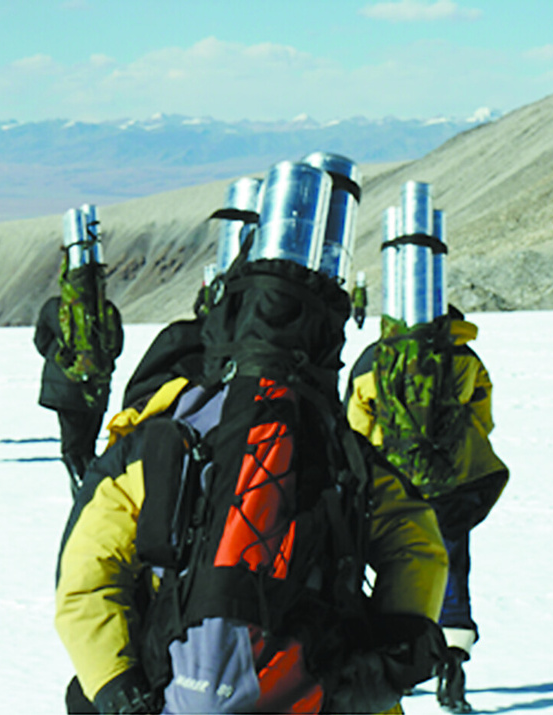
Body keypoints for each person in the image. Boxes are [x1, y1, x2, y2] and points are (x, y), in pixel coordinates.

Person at [54, 160, 448, 715]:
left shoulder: (167, 435)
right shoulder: (333, 440)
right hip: (323, 688)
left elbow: (87, 575)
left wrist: (113, 682)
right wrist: (398, 637)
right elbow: (416, 541)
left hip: (174, 687)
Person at [345, 305, 509, 713]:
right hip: (452, 487)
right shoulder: (466, 358)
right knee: (452, 571)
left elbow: (355, 426)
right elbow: (482, 417)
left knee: (396, 572)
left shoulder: (374, 359)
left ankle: (397, 662)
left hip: (392, 492)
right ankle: (452, 668)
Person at [35, 206, 123, 496]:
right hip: (98, 384)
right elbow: (116, 346)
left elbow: (40, 342)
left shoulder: (53, 307)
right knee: (88, 445)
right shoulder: (108, 309)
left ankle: (82, 490)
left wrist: (61, 360)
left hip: (65, 388)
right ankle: (90, 491)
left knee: (71, 447)